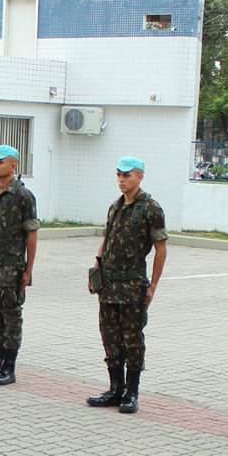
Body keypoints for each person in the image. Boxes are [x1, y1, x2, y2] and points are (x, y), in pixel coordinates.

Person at [86, 156, 167, 413]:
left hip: (132, 285)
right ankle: (115, 389)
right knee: (110, 338)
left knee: (132, 340)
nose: (121, 180)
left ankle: (131, 393)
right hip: (109, 285)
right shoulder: (115, 207)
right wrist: (96, 267)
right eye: (119, 175)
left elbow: (161, 249)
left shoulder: (151, 208)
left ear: (139, 177)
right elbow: (107, 239)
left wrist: (152, 285)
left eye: (127, 175)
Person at [0, 144, 38, 386]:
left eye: (0, 161)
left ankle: (9, 368)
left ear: (13, 165)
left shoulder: (23, 196)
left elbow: (31, 234)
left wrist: (28, 270)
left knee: (12, 319)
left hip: (12, 269)